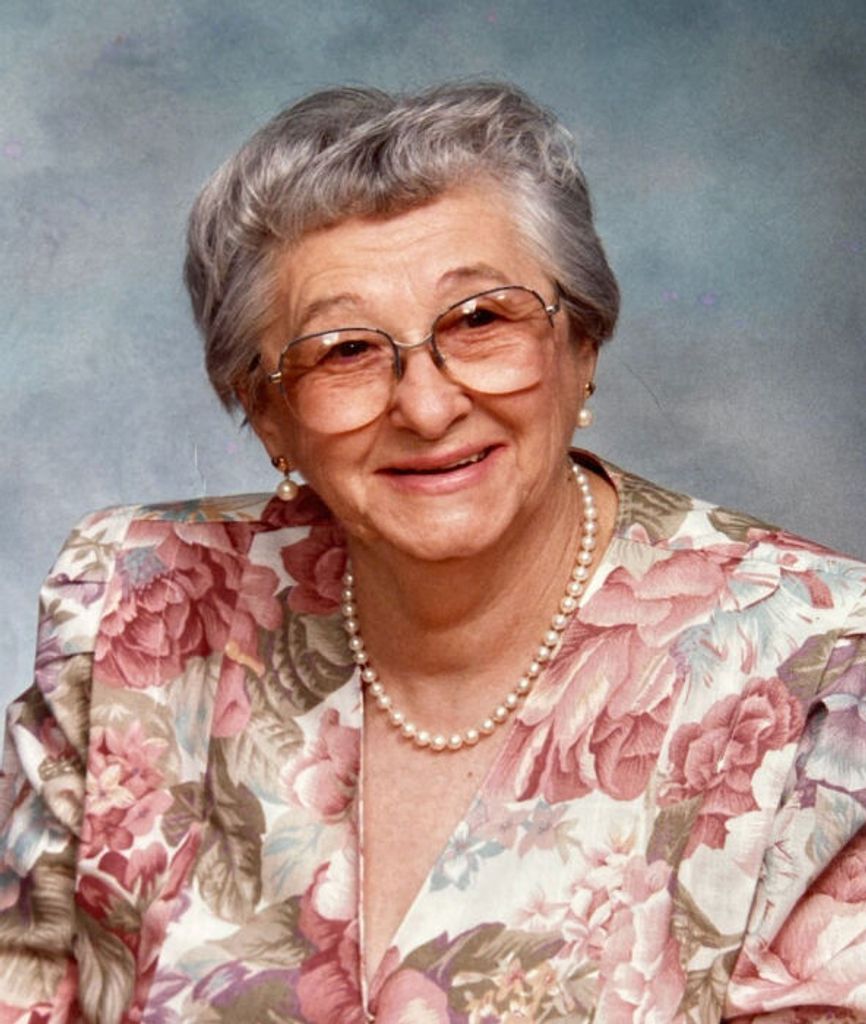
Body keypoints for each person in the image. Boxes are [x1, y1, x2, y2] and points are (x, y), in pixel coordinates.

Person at [1, 81, 865, 1024]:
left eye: (481, 320)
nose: (426, 405)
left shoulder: (821, 677)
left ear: (580, 346)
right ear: (268, 413)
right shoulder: (139, 613)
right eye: (345, 350)